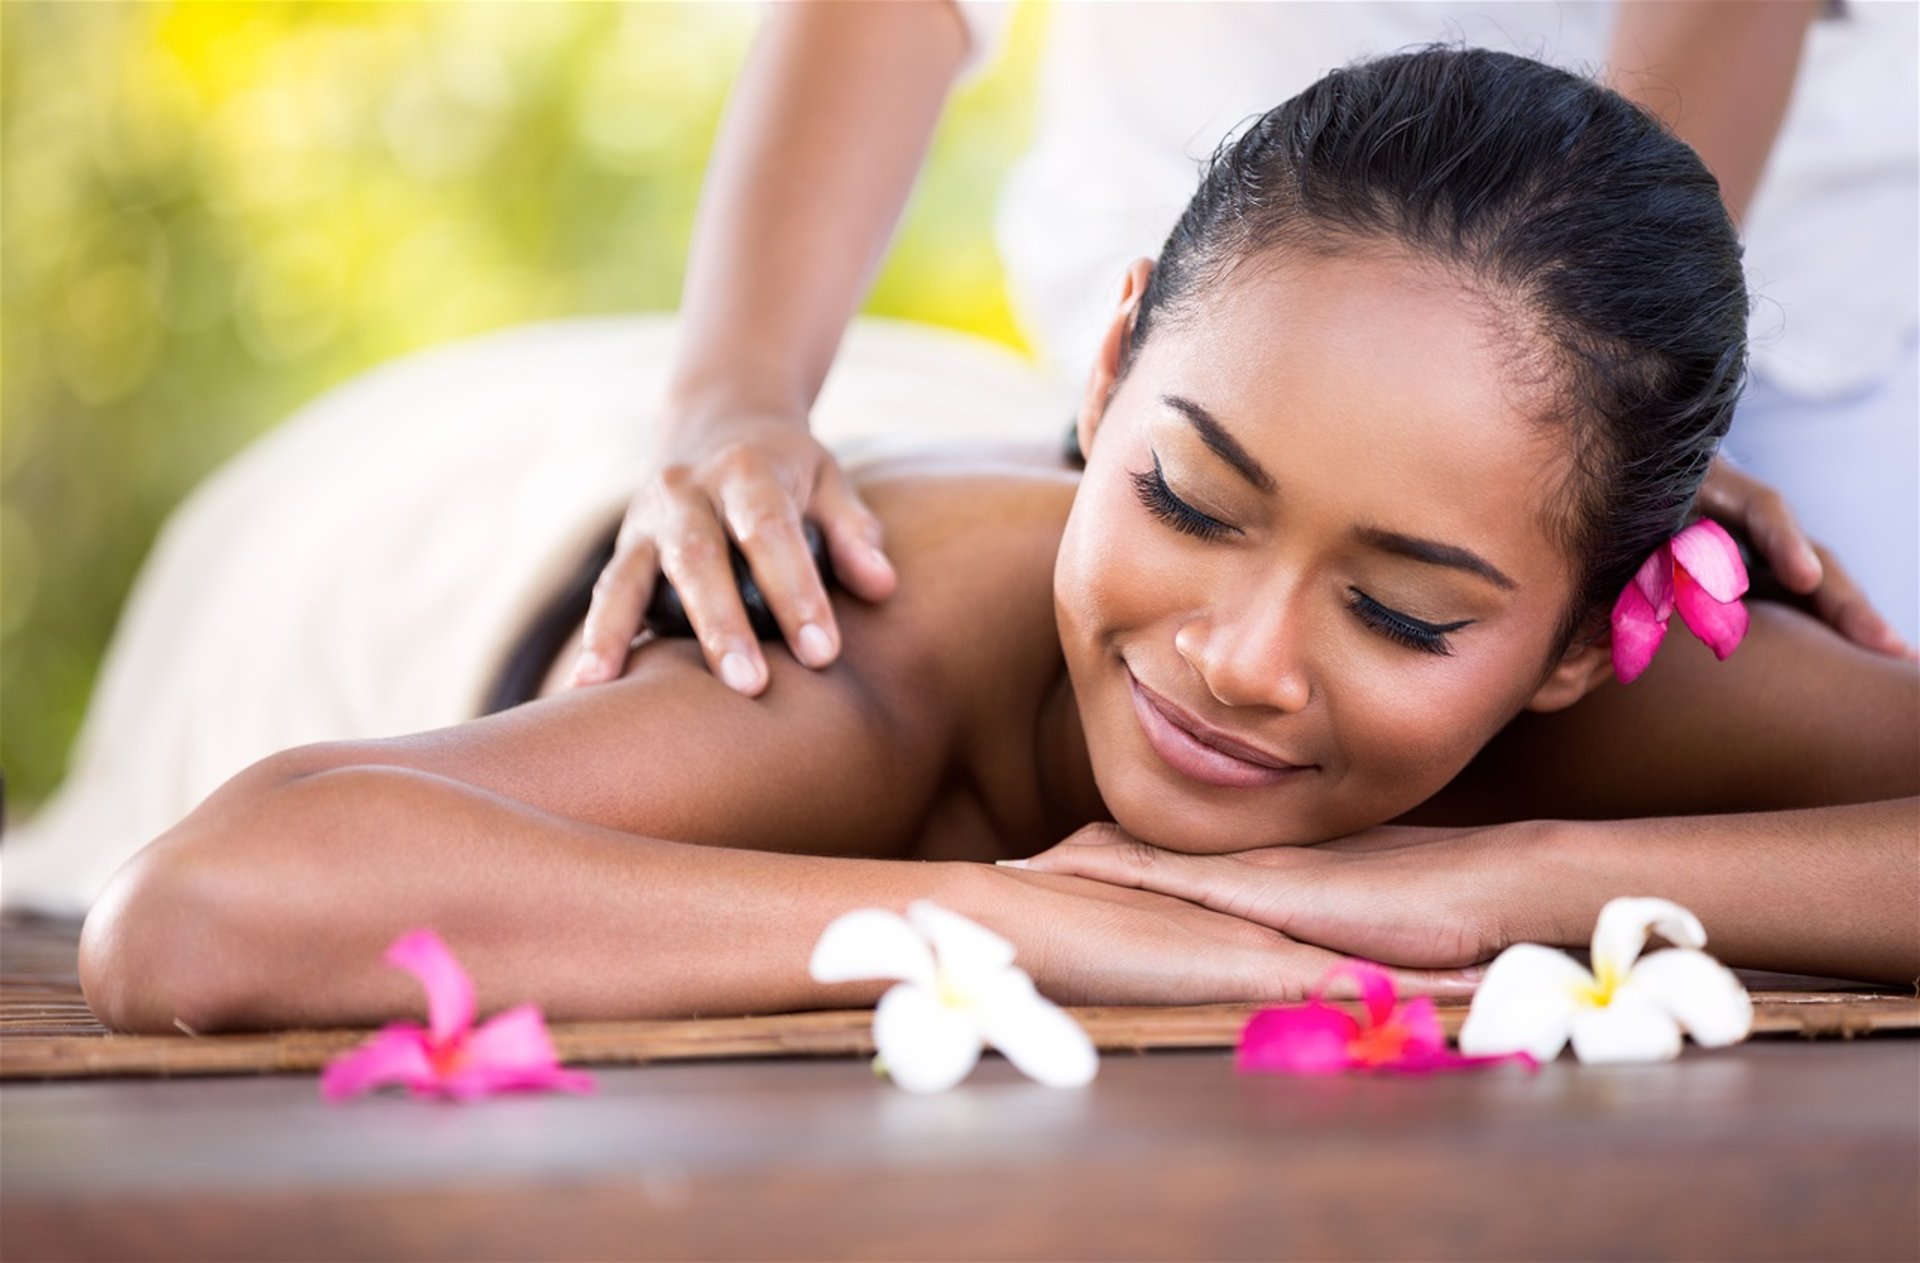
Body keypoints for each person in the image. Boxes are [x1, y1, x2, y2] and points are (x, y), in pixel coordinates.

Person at [78, 50, 1917, 1035]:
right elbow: (201, 912)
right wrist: (1025, 920)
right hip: (416, 522)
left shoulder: (1571, 660)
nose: (1242, 658)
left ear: (1592, 630)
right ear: (1109, 377)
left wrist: (1497, 886)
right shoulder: (857, 661)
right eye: (1188, 499)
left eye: (1403, 615)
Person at [566, 0, 1914, 702]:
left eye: (1406, 600)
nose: (1243, 666)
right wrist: (737, 391)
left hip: (1774, 291)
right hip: (1234, 284)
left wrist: (1627, 400)